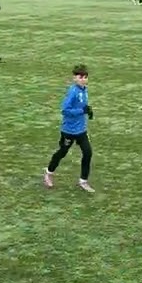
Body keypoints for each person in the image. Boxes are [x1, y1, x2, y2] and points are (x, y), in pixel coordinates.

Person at [43, 64, 94, 192]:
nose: (83, 79)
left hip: (81, 130)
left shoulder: (84, 90)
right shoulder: (73, 92)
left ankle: (83, 181)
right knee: (62, 152)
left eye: (85, 77)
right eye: (80, 77)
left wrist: (88, 110)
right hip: (69, 131)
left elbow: (82, 106)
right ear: (75, 78)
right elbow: (65, 110)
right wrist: (81, 111)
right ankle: (49, 173)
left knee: (87, 152)